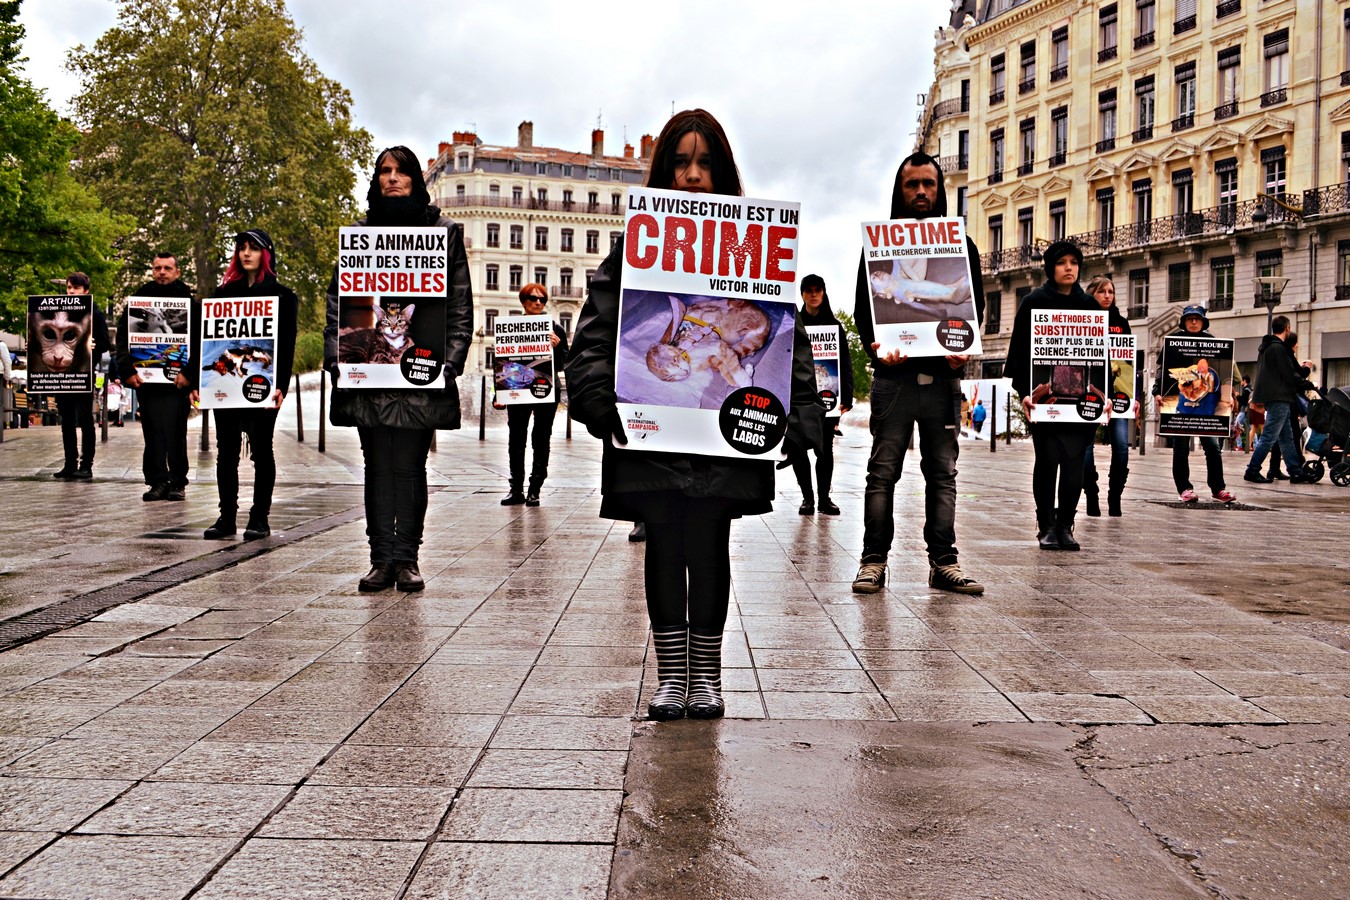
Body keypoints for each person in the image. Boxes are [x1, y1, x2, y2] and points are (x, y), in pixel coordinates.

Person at [566, 109, 823, 721]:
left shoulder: (754, 245)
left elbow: (788, 338)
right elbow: (599, 330)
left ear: (723, 172)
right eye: (681, 162)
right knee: (662, 542)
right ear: (664, 170)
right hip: (653, 425)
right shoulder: (635, 247)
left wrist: (798, 415)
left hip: (721, 427)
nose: (692, 176)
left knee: (708, 543)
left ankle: (705, 678)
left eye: (705, 163)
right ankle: (672, 676)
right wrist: (598, 396)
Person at [325, 146, 473, 593]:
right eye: (384, 172)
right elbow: (337, 302)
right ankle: (379, 559)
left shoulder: (443, 233)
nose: (392, 178)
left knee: (409, 468)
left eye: (400, 172)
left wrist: (450, 363)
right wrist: (337, 359)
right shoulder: (359, 234)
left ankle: (406, 558)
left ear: (414, 179)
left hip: (419, 374)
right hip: (368, 375)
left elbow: (460, 306)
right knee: (375, 466)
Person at [851, 151, 986, 593]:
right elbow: (863, 311)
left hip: (943, 380)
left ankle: (944, 562)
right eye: (913, 185)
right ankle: (873, 561)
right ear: (900, 190)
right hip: (894, 380)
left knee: (943, 473)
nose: (922, 192)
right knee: (882, 472)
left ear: (940, 190)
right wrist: (876, 352)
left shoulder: (961, 246)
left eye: (929, 184)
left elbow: (975, 308)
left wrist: (961, 351)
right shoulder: (877, 247)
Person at [193, 230, 298, 540]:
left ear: (266, 254)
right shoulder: (222, 295)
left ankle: (259, 517)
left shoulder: (283, 296)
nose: (246, 253)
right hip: (225, 386)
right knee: (225, 452)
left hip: (262, 386)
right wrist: (198, 382)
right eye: (241, 248)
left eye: (253, 248)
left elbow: (287, 344)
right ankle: (226, 517)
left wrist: (281, 386)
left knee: (262, 450)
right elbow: (205, 341)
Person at [1005, 241, 1100, 550]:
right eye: (1062, 262)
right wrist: (1024, 394)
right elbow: (1019, 354)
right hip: (1045, 403)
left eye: (1074, 262)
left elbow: (1101, 357)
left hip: (1081, 405)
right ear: (1050, 267)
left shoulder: (1089, 306)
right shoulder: (1032, 302)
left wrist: (1106, 395)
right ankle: (1046, 525)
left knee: (1075, 467)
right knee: (1046, 463)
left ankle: (1066, 525)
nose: (1069, 267)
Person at [115, 253, 196, 501]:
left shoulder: (190, 302)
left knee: (175, 433)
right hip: (147, 382)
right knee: (152, 434)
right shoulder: (138, 300)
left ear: (177, 271)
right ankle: (157, 481)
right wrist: (127, 371)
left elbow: (200, 341)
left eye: (167, 268)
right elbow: (122, 339)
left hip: (177, 382)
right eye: (158, 268)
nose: (162, 272)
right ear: (152, 270)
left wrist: (189, 374)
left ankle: (177, 482)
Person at [1154, 305, 1236, 503]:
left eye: (1196, 319)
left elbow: (1223, 372)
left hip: (1207, 405)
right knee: (1180, 446)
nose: (1193, 322)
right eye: (1189, 319)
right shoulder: (1173, 341)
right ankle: (1184, 488)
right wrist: (1157, 392)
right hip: (1180, 404)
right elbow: (1162, 369)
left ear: (1202, 321)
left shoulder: (1212, 342)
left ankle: (1218, 488)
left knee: (1212, 446)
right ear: (1183, 322)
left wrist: (1229, 396)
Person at [497, 283, 569, 507]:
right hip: (517, 390)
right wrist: (498, 392)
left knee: (541, 439)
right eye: (532, 298)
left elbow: (565, 363)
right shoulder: (511, 326)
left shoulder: (555, 329)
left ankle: (535, 489)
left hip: (545, 389)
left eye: (542, 299)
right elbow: (503, 363)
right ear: (523, 300)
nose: (538, 302)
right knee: (515, 439)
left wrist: (556, 347)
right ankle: (515, 489)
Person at [787, 273, 852, 515]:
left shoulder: (835, 327)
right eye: (809, 290)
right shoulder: (794, 326)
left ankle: (824, 499)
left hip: (828, 399)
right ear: (802, 294)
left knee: (825, 449)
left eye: (818, 290)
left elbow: (845, 364)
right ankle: (807, 498)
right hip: (800, 397)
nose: (814, 294)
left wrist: (847, 398)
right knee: (797, 449)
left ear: (823, 293)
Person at [1079, 275, 1134, 517]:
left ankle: (1115, 496)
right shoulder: (1081, 320)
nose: (1107, 296)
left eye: (1111, 291)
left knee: (1122, 446)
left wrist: (1134, 395)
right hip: (1089, 392)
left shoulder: (1121, 323)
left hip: (1120, 393)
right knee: (1085, 447)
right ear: (1092, 294)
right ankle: (1091, 492)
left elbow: (1129, 362)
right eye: (1102, 291)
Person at [51, 273, 111, 480]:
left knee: (85, 419)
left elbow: (105, 343)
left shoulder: (95, 314)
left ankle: (86, 465)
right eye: (69, 288)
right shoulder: (59, 312)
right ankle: (70, 463)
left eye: (75, 288)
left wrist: (92, 346)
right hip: (63, 374)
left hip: (83, 374)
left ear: (86, 291)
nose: (71, 292)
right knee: (67, 420)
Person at [1244, 316, 1314, 485]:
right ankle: (1252, 470)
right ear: (1287, 328)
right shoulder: (1278, 348)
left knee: (1286, 437)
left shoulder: (1266, 348)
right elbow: (1289, 374)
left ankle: (1295, 471)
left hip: (1273, 396)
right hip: (1279, 397)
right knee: (1269, 436)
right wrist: (1307, 384)